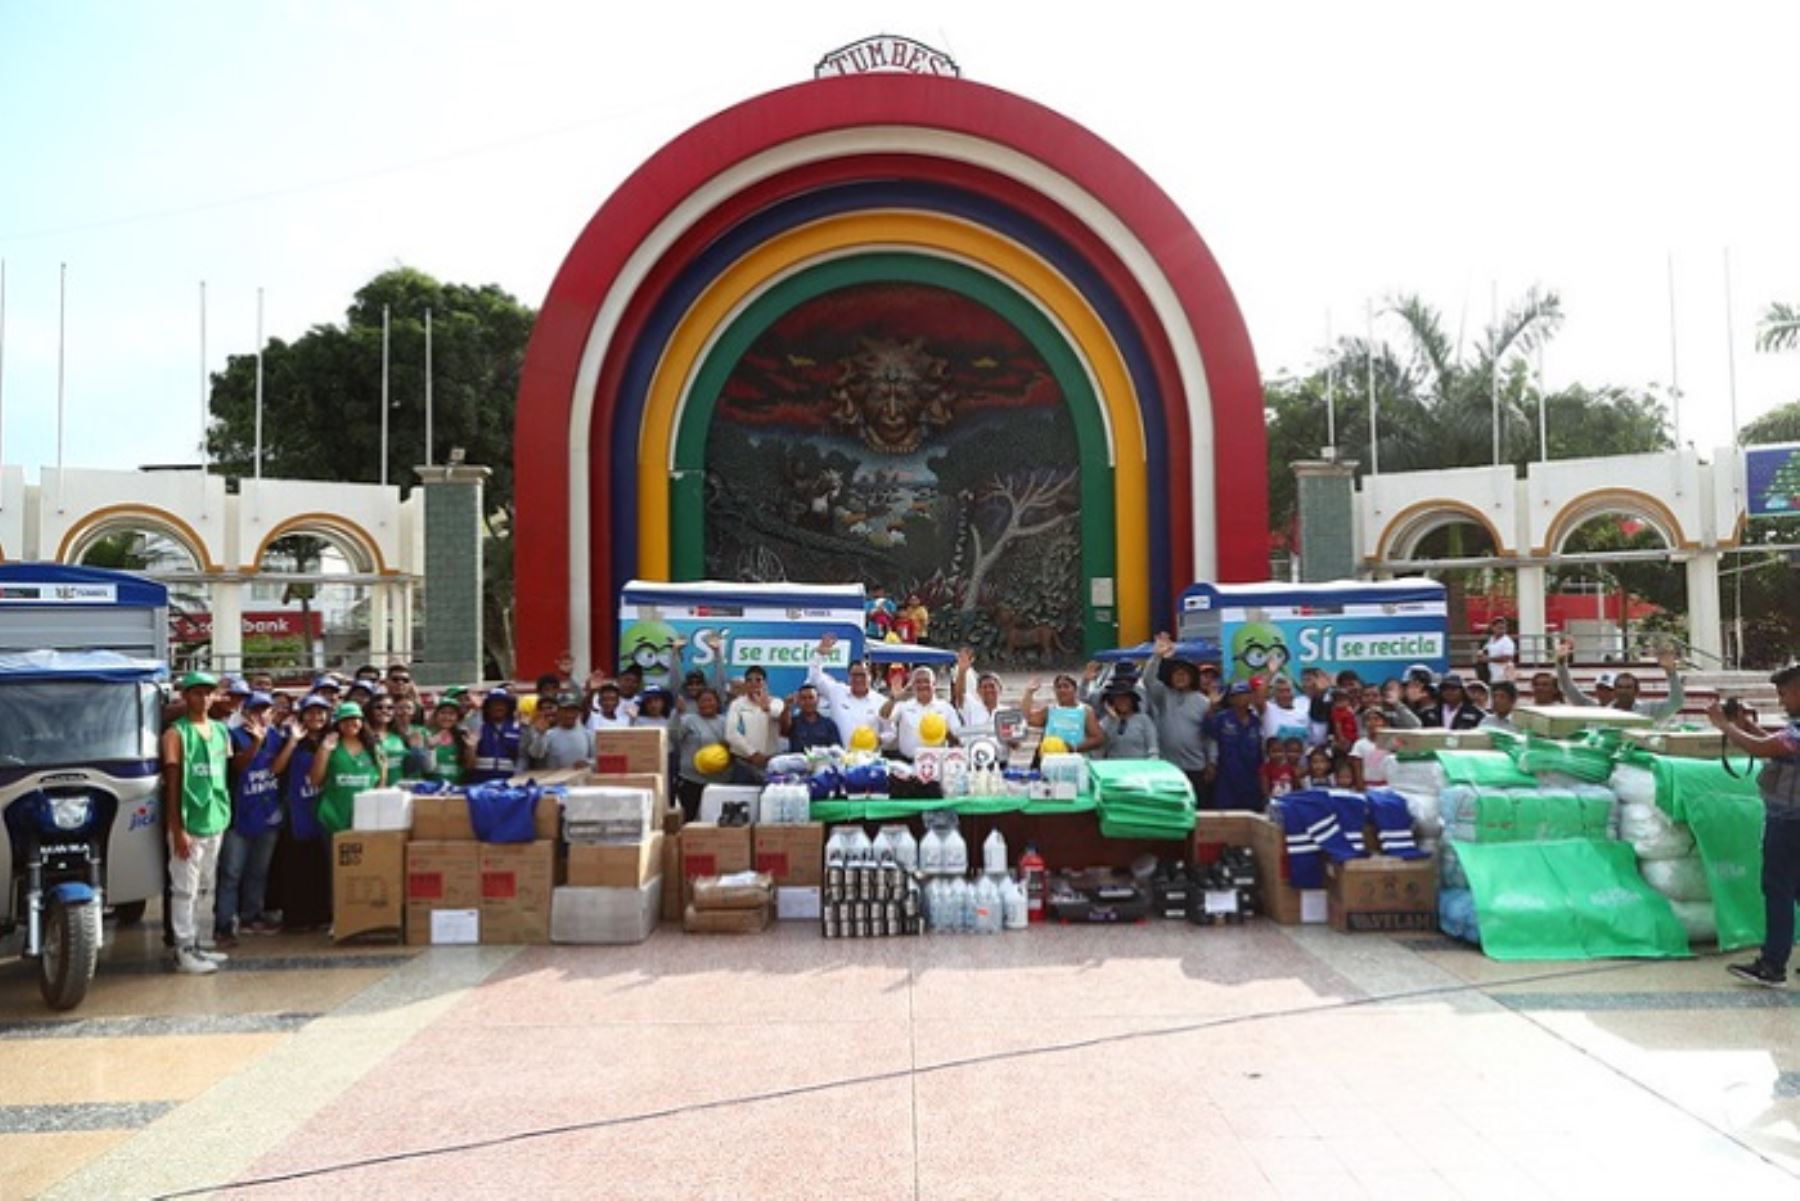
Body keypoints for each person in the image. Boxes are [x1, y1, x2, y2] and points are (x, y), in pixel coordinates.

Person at [1707, 664, 1800, 988]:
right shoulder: (1794, 730)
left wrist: (1724, 726)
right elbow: (1779, 746)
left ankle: (1772, 964)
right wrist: (1746, 725)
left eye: (1785, 693)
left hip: (1789, 824)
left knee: (1778, 890)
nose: (1781, 700)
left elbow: (1766, 749)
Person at [161, 672, 233, 974]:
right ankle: (183, 948)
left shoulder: (220, 730)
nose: (203, 699)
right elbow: (173, 784)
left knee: (206, 885)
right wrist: (177, 830)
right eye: (196, 693)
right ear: (185, 697)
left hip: (215, 818)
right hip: (189, 823)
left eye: (208, 693)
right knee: (184, 889)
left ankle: (199, 942)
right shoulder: (176, 733)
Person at [214, 692, 287, 947]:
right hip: (239, 817)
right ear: (244, 713)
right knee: (231, 873)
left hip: (267, 815)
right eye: (254, 710)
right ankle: (224, 925)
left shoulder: (277, 737)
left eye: (265, 710)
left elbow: (279, 767)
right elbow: (238, 766)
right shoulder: (233, 736)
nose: (260, 715)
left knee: (258, 872)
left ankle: (251, 916)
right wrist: (255, 743)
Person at [269, 695, 333, 932]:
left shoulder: (332, 740)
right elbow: (276, 769)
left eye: (321, 712)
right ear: (302, 715)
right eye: (311, 712)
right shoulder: (290, 738)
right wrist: (293, 742)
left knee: (321, 867)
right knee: (297, 867)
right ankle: (297, 917)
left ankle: (322, 915)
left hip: (324, 810)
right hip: (297, 811)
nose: (316, 717)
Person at [1143, 633, 1212, 796]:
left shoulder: (1204, 702)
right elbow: (1148, 680)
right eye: (1176, 673)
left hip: (1196, 768)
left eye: (1184, 673)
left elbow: (1210, 737)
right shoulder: (1163, 695)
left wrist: (1212, 762)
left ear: (1192, 677)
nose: (1180, 677)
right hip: (1168, 767)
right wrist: (1156, 656)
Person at [1556, 640, 1686, 724]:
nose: (1624, 691)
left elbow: (1676, 703)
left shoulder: (1649, 710)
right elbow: (1569, 689)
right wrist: (1561, 662)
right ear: (1615, 691)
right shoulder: (1600, 711)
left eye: (1628, 687)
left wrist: (1671, 671)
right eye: (1620, 687)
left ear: (1637, 691)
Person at [310, 702, 387, 835]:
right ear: (338, 724)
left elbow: (380, 784)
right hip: (334, 817)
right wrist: (324, 749)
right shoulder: (330, 746)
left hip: (365, 820)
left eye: (354, 718)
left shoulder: (373, 747)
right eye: (345, 719)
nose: (350, 723)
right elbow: (315, 781)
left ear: (362, 721)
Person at [809, 633, 888, 747]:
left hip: (869, 758)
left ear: (870, 676)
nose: (858, 679)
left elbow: (890, 731)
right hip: (840, 757)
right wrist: (819, 655)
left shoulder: (881, 701)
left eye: (862, 675)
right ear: (848, 677)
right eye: (854, 675)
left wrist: (880, 739)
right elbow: (815, 677)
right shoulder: (837, 691)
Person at [1203, 682, 1264, 811]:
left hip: (1251, 781)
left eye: (1246, 694)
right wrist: (1211, 706)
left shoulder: (1256, 721)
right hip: (1227, 780)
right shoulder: (1222, 718)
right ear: (1230, 699)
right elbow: (1207, 730)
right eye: (1237, 695)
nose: (1242, 698)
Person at [883, 667, 965, 760]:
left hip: (937, 763)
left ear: (934, 684)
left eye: (926, 681)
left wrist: (947, 733)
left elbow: (958, 738)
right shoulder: (903, 706)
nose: (922, 685)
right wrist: (894, 698)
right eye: (918, 682)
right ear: (912, 686)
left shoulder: (946, 707)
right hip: (908, 762)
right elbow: (884, 715)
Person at [674, 687, 728, 820]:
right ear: (697, 704)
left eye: (710, 700)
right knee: (688, 818)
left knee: (714, 819)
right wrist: (677, 714)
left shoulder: (726, 721)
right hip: (691, 780)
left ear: (717, 703)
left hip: (719, 781)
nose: (706, 704)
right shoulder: (687, 720)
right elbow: (674, 737)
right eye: (702, 701)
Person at [726, 665, 785, 780]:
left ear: (765, 683)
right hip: (743, 762)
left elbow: (777, 713)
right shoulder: (737, 704)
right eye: (749, 680)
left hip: (769, 763)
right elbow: (731, 733)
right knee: (740, 797)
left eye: (758, 680)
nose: (753, 683)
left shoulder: (776, 702)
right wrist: (752, 753)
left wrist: (767, 708)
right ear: (745, 684)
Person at [1021, 673, 1103, 754]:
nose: (1062, 690)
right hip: (1050, 760)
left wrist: (1074, 747)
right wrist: (1029, 692)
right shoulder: (1050, 710)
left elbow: (1098, 739)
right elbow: (1027, 718)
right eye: (1058, 687)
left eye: (1066, 686)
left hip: (1075, 760)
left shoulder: (1085, 710)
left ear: (1075, 689)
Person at [526, 693, 596, 770]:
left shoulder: (587, 735)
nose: (569, 715)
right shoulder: (549, 735)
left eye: (573, 711)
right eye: (565, 711)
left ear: (578, 713)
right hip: (555, 780)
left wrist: (588, 763)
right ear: (558, 712)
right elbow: (536, 754)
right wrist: (541, 734)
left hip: (580, 779)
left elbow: (596, 759)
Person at [469, 690, 524, 783]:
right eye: (494, 704)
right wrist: (477, 710)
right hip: (481, 782)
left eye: (502, 704)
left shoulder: (518, 728)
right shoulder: (478, 726)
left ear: (508, 707)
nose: (498, 707)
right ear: (488, 707)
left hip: (508, 782)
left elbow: (523, 758)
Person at [951, 647, 1006, 738]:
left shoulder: (1007, 712)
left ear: (1000, 689)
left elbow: (1015, 744)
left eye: (992, 686)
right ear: (978, 691)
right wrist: (962, 671)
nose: (988, 690)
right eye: (984, 687)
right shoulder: (971, 707)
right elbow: (960, 694)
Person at [420, 696, 476, 783]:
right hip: (432, 791)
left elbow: (469, 767)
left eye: (451, 713)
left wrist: (471, 749)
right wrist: (430, 749)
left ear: (457, 717)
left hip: (456, 790)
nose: (447, 717)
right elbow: (426, 769)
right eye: (443, 713)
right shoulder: (426, 734)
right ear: (436, 715)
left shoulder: (463, 736)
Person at [1099, 685, 1158, 759]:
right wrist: (1114, 721)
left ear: (1132, 700)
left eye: (1126, 698)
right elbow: (1099, 749)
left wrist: (1152, 762)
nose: (1122, 701)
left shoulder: (1144, 720)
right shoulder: (1105, 722)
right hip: (1114, 767)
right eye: (1118, 698)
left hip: (1140, 766)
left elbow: (1153, 748)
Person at [783, 683, 841, 753]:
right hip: (798, 762)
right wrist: (787, 707)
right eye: (803, 698)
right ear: (798, 701)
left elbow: (836, 749)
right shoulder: (793, 722)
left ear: (818, 699)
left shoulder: (829, 724)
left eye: (811, 698)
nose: (807, 702)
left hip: (823, 762)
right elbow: (784, 730)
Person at [1416, 673, 1485, 730]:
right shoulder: (1428, 713)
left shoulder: (1477, 714)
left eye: (1453, 689)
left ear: (1462, 691)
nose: (1449, 692)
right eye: (1445, 688)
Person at [1261, 675, 1312, 747]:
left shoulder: (1303, 713)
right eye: (1280, 691)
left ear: (1293, 692)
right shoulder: (1268, 709)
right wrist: (1271, 673)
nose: (1285, 695)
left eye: (1288, 690)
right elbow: (1259, 697)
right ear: (1274, 694)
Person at [1349, 708, 1393, 789]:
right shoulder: (1360, 744)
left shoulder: (1391, 743)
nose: (1372, 723)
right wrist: (1360, 786)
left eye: (1376, 719)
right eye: (1368, 720)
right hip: (1368, 786)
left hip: (1388, 786)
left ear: (1384, 723)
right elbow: (1357, 767)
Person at [1476, 616, 1518, 683]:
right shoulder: (1489, 640)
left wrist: (1489, 659)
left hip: (1503, 676)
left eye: (1503, 628)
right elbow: (1482, 651)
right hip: (1490, 675)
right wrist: (1481, 656)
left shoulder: (1507, 641)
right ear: (1493, 628)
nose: (1501, 630)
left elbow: (1507, 657)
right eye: (1499, 628)